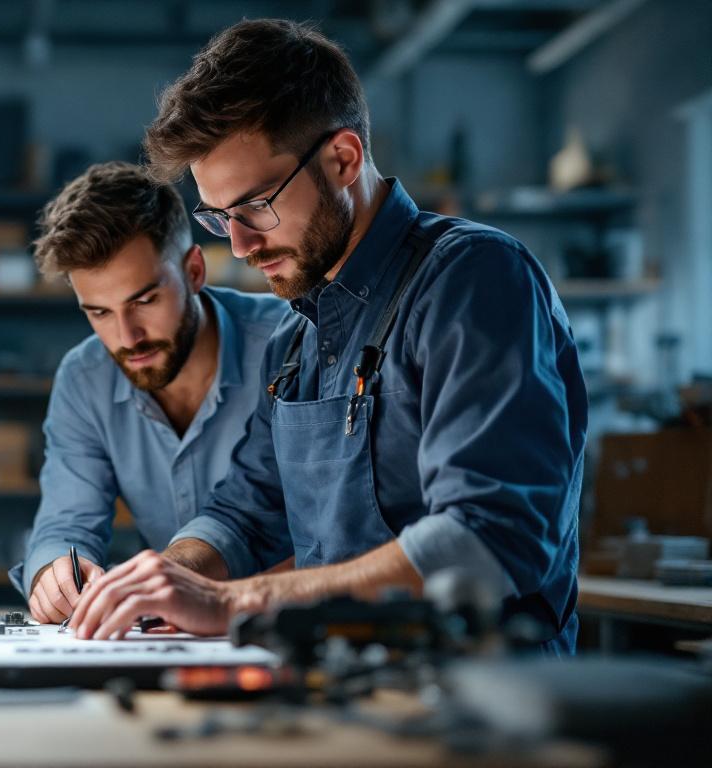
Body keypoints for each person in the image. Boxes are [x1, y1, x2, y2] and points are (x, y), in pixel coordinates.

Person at [68, 19, 587, 654]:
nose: (240, 245)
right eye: (220, 217)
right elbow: (247, 513)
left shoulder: (473, 279)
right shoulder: (297, 337)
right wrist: (167, 576)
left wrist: (234, 601)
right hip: (341, 680)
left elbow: (489, 537)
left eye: (256, 206)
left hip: (479, 690)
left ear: (343, 159)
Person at [12, 161, 289, 623]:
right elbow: (65, 524)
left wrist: (213, 592)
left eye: (144, 301)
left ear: (194, 271)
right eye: (99, 312)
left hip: (295, 620)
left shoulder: (291, 345)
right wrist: (54, 574)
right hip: (171, 630)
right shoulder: (85, 379)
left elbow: (337, 534)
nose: (128, 337)